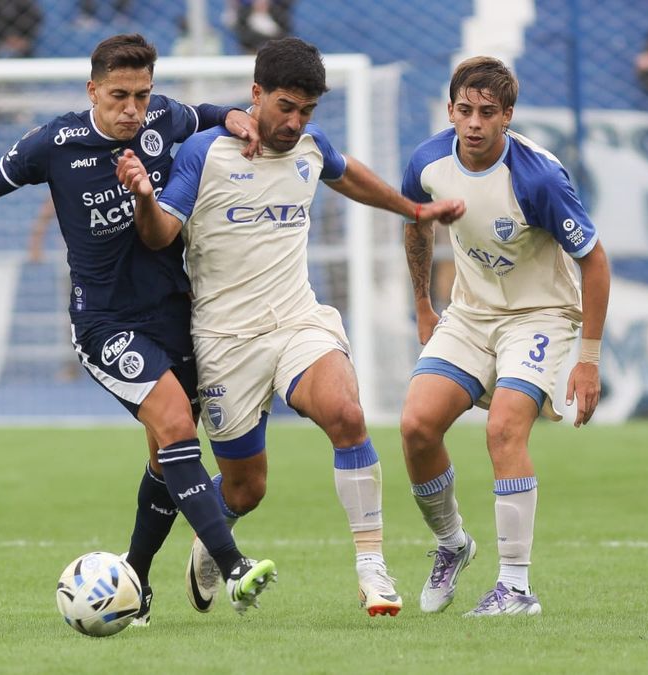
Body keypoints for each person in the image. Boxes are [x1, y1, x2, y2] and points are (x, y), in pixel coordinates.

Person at [0, 34, 276, 621]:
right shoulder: (55, 143)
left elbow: (199, 113)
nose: (132, 110)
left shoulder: (161, 120)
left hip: (176, 312)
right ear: (92, 90)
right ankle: (234, 567)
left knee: (162, 454)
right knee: (176, 425)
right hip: (105, 322)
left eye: (141, 96)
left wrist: (231, 115)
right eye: (119, 96)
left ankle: (137, 582)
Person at [116, 37, 464, 617]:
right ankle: (210, 540)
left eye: (307, 111)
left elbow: (346, 172)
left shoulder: (309, 145)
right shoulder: (205, 152)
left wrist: (416, 210)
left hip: (298, 320)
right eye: (285, 107)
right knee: (246, 488)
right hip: (225, 340)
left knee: (347, 415)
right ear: (256, 95)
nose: (295, 121)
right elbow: (159, 236)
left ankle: (373, 568)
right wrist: (145, 199)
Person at [397, 56, 611, 617]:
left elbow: (595, 262)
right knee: (417, 427)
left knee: (503, 430)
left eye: (487, 113)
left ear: (507, 116)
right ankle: (452, 546)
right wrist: (423, 303)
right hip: (469, 314)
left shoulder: (537, 177)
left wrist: (587, 360)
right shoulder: (427, 161)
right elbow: (415, 225)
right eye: (464, 110)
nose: (473, 123)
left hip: (538, 316)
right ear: (450, 110)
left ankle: (516, 589)